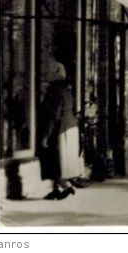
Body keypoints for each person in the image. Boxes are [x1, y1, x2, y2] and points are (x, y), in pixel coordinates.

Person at [39, 61, 81, 199]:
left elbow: (53, 114)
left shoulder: (54, 91)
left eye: (48, 73)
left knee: (56, 160)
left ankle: (66, 186)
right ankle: (56, 188)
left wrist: (45, 135)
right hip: (69, 126)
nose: (45, 76)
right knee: (59, 160)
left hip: (59, 129)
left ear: (55, 73)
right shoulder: (67, 89)